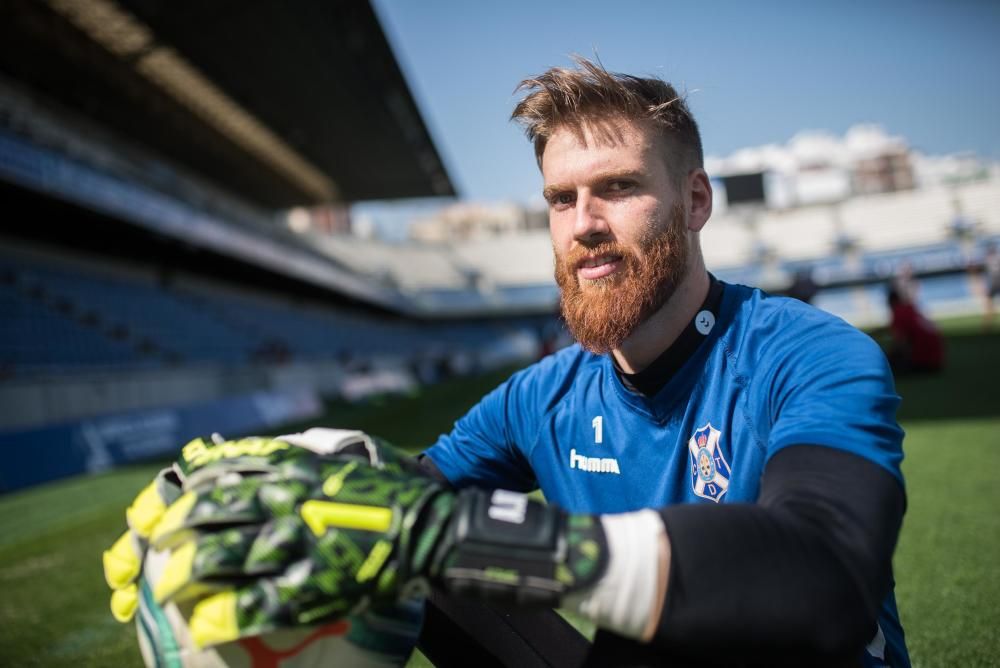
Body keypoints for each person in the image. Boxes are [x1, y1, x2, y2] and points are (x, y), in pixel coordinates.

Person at [105, 59, 910, 667]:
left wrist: (494, 543)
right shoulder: (542, 397)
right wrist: (239, 512)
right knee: (379, 534)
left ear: (695, 201)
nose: (584, 223)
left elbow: (831, 578)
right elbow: (401, 499)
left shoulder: (810, 355)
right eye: (562, 199)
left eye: (619, 187)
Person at [886, 287, 944, 374]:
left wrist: (887, 356)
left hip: (924, 363)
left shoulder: (898, 312)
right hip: (937, 361)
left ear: (890, 302)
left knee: (886, 364)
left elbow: (900, 343)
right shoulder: (910, 308)